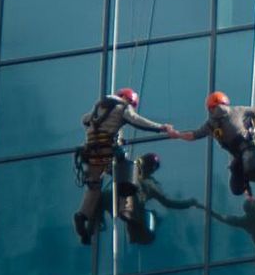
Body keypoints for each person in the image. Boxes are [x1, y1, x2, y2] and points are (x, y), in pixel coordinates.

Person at [76, 87, 179, 244]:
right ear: (127, 99)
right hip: (106, 151)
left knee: (94, 187)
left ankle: (82, 215)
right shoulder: (122, 107)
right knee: (128, 171)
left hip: (91, 153)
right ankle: (126, 209)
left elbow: (85, 119)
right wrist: (161, 127)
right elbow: (137, 121)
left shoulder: (99, 106)